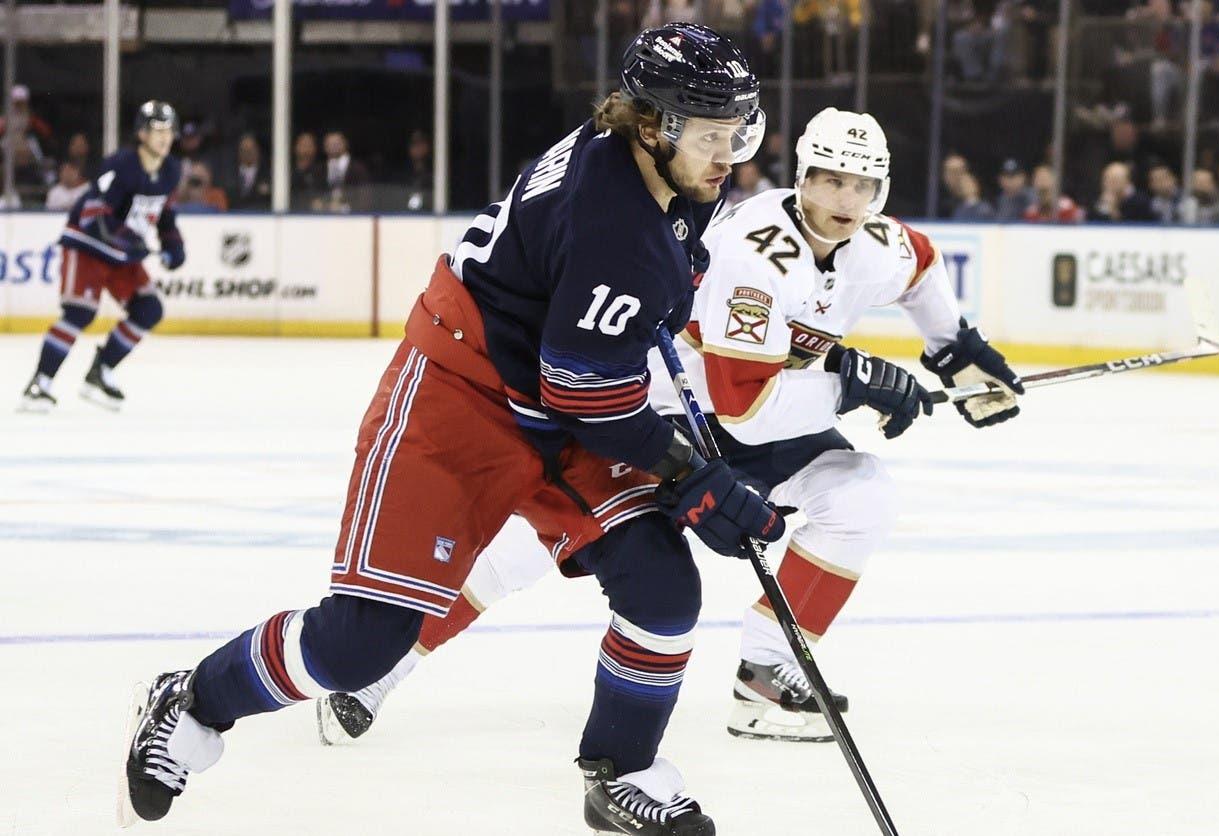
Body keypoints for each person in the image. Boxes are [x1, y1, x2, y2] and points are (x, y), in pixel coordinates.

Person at [116, 24, 781, 836]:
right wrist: (686, 470)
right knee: (362, 644)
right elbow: (585, 388)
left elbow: (607, 344)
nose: (729, 155)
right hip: (461, 395)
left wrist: (685, 455)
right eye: (712, 136)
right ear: (651, 125)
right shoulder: (616, 223)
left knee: (663, 586)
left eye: (737, 131)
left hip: (551, 390)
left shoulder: (648, 170)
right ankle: (193, 703)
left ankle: (623, 768)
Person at [313, 107, 1024, 747]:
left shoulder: (881, 244)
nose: (846, 200)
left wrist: (954, 351)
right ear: (801, 176)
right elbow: (744, 401)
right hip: (674, 414)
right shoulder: (755, 249)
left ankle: (766, 675)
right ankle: (380, 671)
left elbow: (921, 270)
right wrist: (851, 385)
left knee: (860, 496)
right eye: (830, 180)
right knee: (530, 552)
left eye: (863, 186)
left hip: (766, 415)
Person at [19, 101, 185, 413]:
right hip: (87, 246)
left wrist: (174, 246)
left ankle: (99, 373)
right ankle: (39, 384)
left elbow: (165, 214)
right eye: (157, 131)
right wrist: (128, 242)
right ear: (141, 134)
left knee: (148, 309)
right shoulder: (120, 164)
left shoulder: (171, 170)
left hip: (122, 253)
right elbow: (96, 214)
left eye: (169, 131)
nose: (164, 138)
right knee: (80, 313)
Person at [315, 131, 371, 212]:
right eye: (330, 143)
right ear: (325, 147)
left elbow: (365, 197)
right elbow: (313, 195)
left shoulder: (358, 169)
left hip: (351, 218)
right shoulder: (319, 169)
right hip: (322, 218)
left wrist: (344, 208)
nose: (333, 146)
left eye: (337, 143)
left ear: (345, 144)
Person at [229, 133, 271, 210]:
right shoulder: (229, 173)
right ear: (239, 151)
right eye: (244, 149)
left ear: (258, 150)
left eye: (251, 149)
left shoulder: (269, 174)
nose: (248, 152)